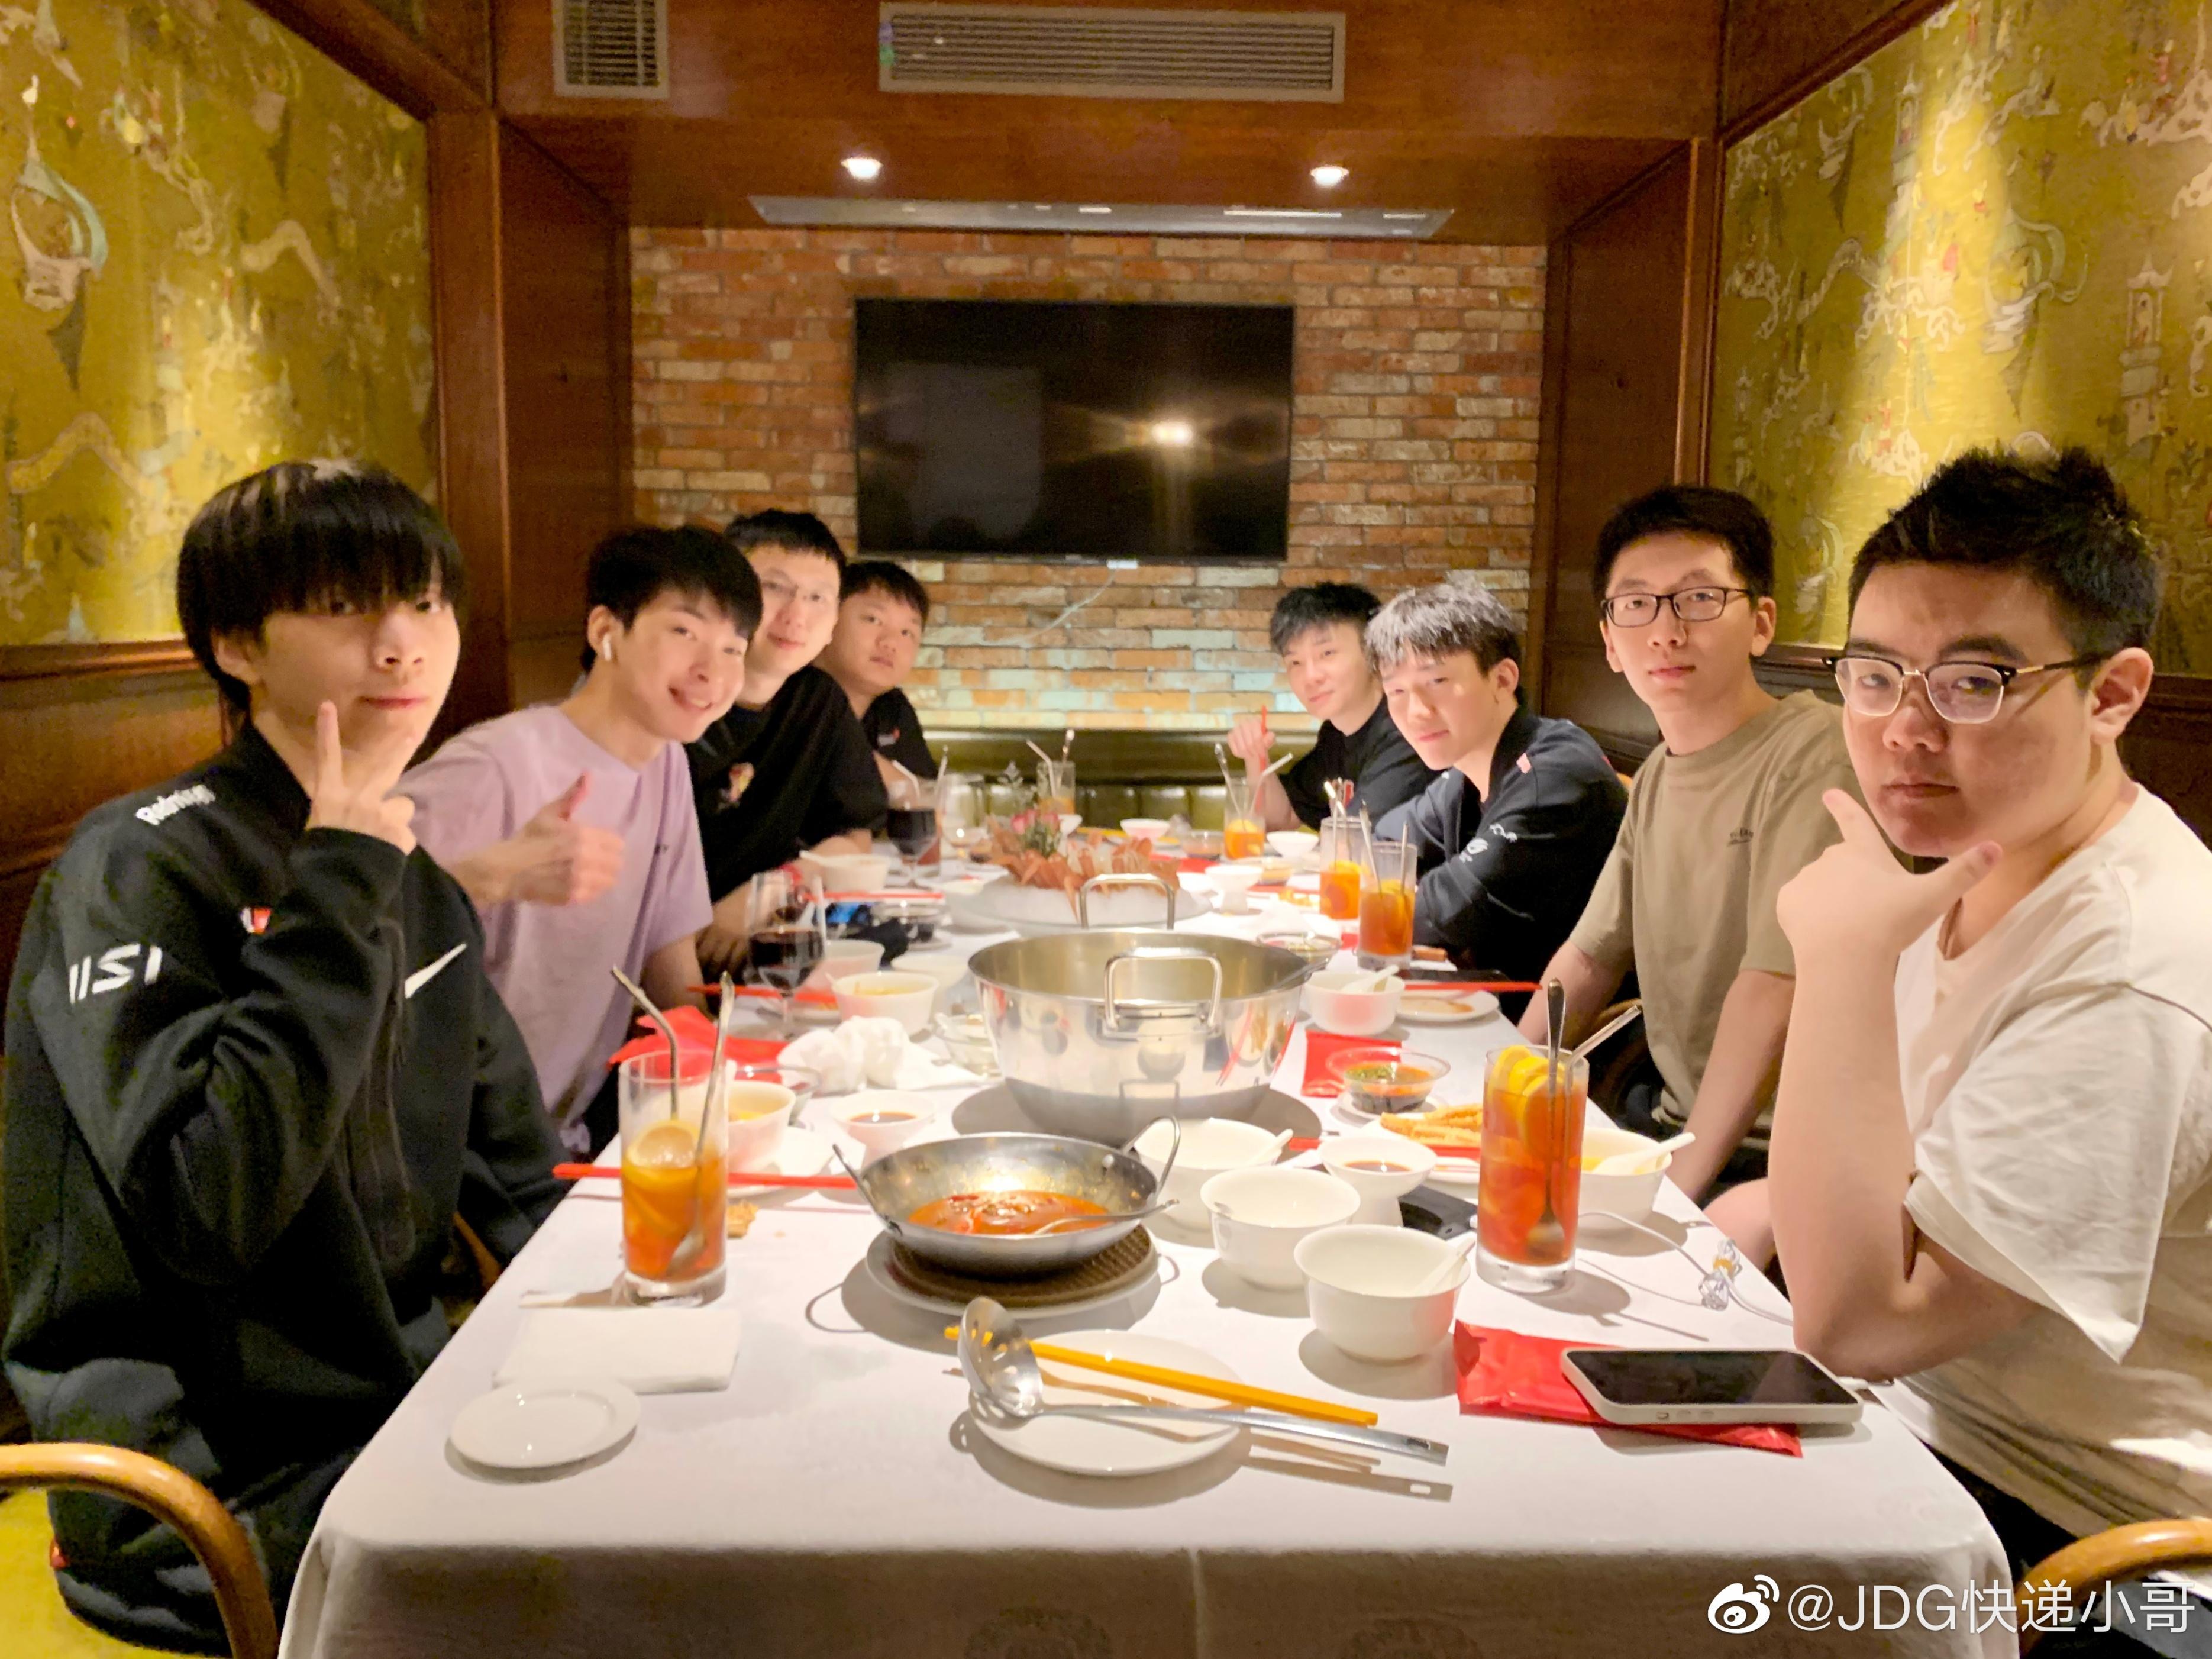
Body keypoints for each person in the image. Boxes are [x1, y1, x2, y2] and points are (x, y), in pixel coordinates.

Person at [2, 462, 564, 1650]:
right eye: (346, 606)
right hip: (209, 1493)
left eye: (424, 602)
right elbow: (208, 1203)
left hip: (398, 1416)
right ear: (236, 644)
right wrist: (340, 880)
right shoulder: (137, 867)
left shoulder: (411, 879)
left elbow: (515, 1176)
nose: (402, 644)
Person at [1757, 450, 2211, 1649]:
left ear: (2111, 694)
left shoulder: (2137, 957)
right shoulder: (1975, 862)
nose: (1904, 731)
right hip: (1911, 1441)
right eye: (1874, 676)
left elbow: (1863, 1321)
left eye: (1974, 682)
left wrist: (1841, 961)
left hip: (2091, 1548)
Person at [1520, 485, 1862, 1203]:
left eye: (1699, 599)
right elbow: (1588, 958)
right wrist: (1506, 1085)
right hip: (1665, 1127)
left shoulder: (1816, 753)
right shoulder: (1656, 774)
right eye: (1636, 604)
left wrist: (1677, 1196)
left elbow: (1772, 987)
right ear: (1609, 641)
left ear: (1760, 623)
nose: (1665, 631)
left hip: (1774, 1160)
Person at [399, 526, 760, 1153]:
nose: (712, 670)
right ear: (605, 631)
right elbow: (356, 936)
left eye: (734, 648)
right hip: (454, 1154)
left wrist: (724, 1086)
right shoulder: (494, 766)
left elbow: (668, 957)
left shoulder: (666, 761)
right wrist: (492, 875)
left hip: (563, 1140)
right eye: (684, 632)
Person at [1366, 584, 1626, 987]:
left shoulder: (1555, 775)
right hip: (1489, 999)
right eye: (1396, 691)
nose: (1416, 711)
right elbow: (1385, 842)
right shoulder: (1467, 771)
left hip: (1555, 1016)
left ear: (1503, 679)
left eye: (1436, 680)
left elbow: (1448, 911)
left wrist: (1393, 901)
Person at [687, 510, 887, 972]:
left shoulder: (817, 701)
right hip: (653, 962)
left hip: (759, 952)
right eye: (774, 587)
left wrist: (762, 897)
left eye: (818, 597)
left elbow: (853, 837)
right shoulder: (675, 699)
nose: (796, 615)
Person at [1226, 583, 1435, 831]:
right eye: (1295, 662)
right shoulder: (1335, 735)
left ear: (1375, 654)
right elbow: (1280, 819)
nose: (1310, 676)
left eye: (1327, 654)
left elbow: (1356, 841)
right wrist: (1256, 756)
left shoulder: (1408, 731)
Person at [821, 558, 937, 791]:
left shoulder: (892, 708)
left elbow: (929, 793)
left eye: (907, 632)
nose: (890, 643)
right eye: (874, 620)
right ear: (828, 618)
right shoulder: (784, 694)